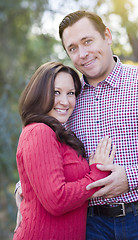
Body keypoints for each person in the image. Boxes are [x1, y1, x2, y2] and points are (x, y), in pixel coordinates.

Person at [15, 10, 138, 239]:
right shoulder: (66, 100)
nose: (82, 54)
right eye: (73, 48)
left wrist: (131, 178)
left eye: (88, 41)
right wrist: (22, 187)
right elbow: (45, 156)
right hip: (89, 225)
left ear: (107, 36)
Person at [13, 61, 116, 240]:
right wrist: (96, 175)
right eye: (56, 92)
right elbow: (56, 200)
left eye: (71, 93)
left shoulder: (57, 133)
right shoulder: (39, 131)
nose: (65, 102)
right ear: (39, 93)